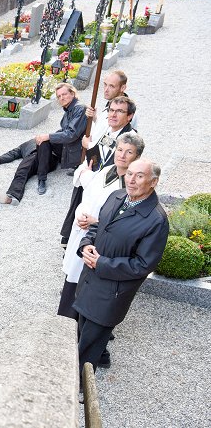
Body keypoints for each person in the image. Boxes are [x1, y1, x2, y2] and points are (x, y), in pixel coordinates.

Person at [73, 159, 169, 375]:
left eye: (139, 176)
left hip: (111, 294)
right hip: (89, 282)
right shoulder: (116, 196)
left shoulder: (156, 220)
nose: (131, 180)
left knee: (86, 352)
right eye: (129, 174)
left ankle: (77, 391)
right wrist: (86, 245)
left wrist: (102, 263)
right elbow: (97, 228)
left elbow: (143, 265)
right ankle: (99, 359)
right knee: (82, 334)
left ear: (153, 182)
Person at [58, 132, 144, 320]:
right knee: (73, 276)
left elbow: (128, 222)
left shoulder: (132, 187)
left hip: (104, 240)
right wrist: (81, 215)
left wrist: (96, 222)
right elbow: (89, 195)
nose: (122, 155)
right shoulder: (107, 171)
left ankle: (85, 322)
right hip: (82, 231)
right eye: (120, 149)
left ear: (137, 158)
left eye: (129, 152)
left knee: (90, 282)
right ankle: (66, 317)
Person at [60, 71, 138, 246]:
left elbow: (116, 148)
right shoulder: (108, 111)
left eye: (111, 85)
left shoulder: (128, 122)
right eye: (105, 84)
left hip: (104, 178)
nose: (106, 89)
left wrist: (90, 145)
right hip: (92, 168)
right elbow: (104, 136)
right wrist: (95, 119)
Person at [33, 82, 87, 195]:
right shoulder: (68, 110)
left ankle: (43, 177)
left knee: (46, 139)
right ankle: (42, 178)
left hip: (76, 150)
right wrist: (46, 137)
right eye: (59, 96)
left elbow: (71, 134)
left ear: (72, 93)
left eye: (64, 94)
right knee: (43, 141)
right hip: (70, 146)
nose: (61, 98)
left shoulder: (79, 109)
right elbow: (64, 131)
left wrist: (48, 136)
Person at [0, 138, 37, 206]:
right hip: (32, 160)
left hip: (46, 158)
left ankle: (13, 196)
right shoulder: (26, 144)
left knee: (23, 169)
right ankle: (12, 198)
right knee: (23, 171)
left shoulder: (47, 139)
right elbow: (13, 153)